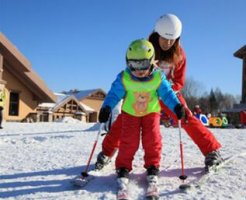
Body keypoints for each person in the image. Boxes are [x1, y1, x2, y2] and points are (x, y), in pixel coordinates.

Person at [95, 13, 223, 172]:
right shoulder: (145, 47)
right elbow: (131, 68)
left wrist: (168, 90)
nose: (168, 43)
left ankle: (211, 150)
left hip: (166, 92)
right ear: (157, 34)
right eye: (164, 38)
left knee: (186, 117)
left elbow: (179, 81)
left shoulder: (179, 55)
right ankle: (107, 152)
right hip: (142, 93)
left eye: (172, 39)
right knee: (124, 121)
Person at [98, 39, 184, 196]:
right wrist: (107, 107)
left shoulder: (158, 77)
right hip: (130, 114)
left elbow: (167, 93)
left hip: (151, 113)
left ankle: (153, 166)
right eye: (134, 65)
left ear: (151, 61)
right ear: (127, 63)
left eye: (143, 64)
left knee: (153, 139)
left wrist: (177, 106)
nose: (139, 70)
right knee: (128, 141)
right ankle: (123, 167)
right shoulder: (125, 77)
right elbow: (114, 94)